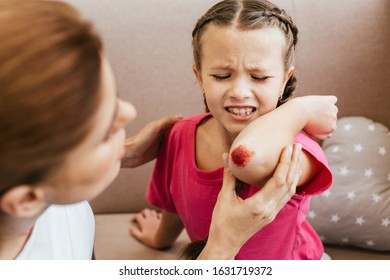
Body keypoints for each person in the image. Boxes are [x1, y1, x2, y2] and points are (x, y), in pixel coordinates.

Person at [0, 0, 301, 260]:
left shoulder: (58, 202)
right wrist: (306, 108)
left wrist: (117, 152)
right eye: (103, 126)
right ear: (26, 200)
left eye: (259, 76)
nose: (129, 112)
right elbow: (244, 163)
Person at [130, 0, 338, 260]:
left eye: (259, 77)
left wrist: (300, 109)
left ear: (285, 80)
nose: (239, 92)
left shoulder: (299, 152)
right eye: (221, 76)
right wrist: (160, 238)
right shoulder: (179, 135)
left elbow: (247, 160)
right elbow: (175, 203)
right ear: (199, 77)